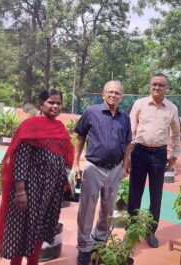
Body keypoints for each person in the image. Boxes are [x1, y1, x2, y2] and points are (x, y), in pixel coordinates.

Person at [0, 89, 74, 265]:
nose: (55, 106)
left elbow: (65, 156)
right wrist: (20, 192)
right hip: (30, 190)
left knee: (39, 229)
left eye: (58, 103)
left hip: (50, 191)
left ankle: (33, 262)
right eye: (51, 102)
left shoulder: (59, 128)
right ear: (41, 104)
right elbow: (20, 160)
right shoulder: (30, 126)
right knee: (21, 229)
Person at [73, 81, 132, 265]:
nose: (114, 95)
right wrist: (76, 163)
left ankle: (100, 241)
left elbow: (129, 142)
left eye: (117, 93)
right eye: (110, 92)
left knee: (108, 208)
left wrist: (124, 165)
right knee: (87, 208)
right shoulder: (92, 111)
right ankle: (84, 247)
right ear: (103, 94)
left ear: (121, 97)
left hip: (115, 168)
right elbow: (80, 136)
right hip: (93, 167)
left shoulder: (125, 117)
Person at [126, 73, 181, 248]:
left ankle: (151, 232)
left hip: (159, 155)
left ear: (167, 88)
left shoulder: (171, 108)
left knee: (156, 195)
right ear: (150, 86)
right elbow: (130, 130)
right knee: (135, 193)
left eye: (161, 85)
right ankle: (131, 230)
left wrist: (174, 156)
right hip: (139, 153)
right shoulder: (139, 104)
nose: (157, 87)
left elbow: (176, 133)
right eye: (154, 84)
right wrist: (128, 156)